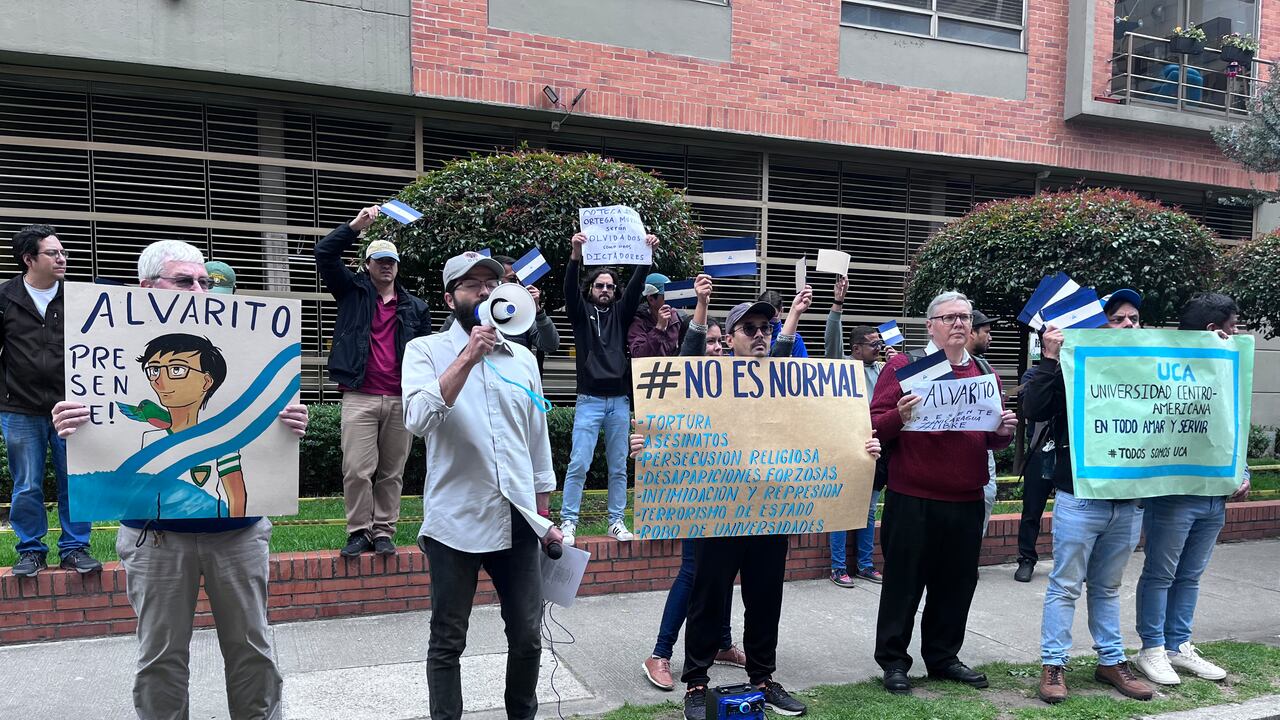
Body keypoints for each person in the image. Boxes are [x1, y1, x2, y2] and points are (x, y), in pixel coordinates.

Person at [51, 239, 309, 719]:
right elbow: (104, 450)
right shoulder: (107, 349)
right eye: (184, 280)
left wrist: (289, 424)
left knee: (254, 652)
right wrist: (70, 423)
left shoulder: (247, 353)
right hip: (155, 539)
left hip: (238, 535)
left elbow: (242, 476)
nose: (199, 289)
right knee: (160, 659)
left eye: (204, 282)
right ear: (148, 288)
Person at [681, 275, 881, 720]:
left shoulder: (784, 381)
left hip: (770, 513)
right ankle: (696, 682)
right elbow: (677, 386)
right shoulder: (703, 379)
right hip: (717, 512)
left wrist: (862, 447)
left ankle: (762, 678)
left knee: (765, 598)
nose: (758, 336)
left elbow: (827, 424)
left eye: (764, 330)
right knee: (708, 598)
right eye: (749, 329)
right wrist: (647, 447)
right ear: (730, 338)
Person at [401, 250, 572, 720]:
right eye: (471, 284)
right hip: (454, 522)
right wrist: (468, 355)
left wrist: (545, 516)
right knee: (448, 639)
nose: (482, 291)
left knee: (527, 635)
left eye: (490, 283)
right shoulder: (425, 351)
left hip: (519, 521)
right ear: (449, 296)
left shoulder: (522, 359)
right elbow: (418, 420)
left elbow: (536, 444)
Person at [870, 290, 1017, 696]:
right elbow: (873, 424)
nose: (959, 324)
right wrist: (897, 417)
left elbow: (988, 437)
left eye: (965, 317)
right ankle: (894, 662)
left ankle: (943, 657)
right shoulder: (906, 365)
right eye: (950, 317)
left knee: (955, 586)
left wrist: (1003, 433)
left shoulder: (983, 371)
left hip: (966, 497)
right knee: (903, 584)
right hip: (912, 496)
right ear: (931, 324)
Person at [1024, 288, 1154, 704]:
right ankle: (1054, 664)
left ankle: (1111, 661)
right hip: (1080, 497)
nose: (1128, 325)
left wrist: (1209, 349)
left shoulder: (1150, 366)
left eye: (1134, 318)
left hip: (1127, 499)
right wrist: (1050, 358)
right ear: (1101, 326)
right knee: (1065, 585)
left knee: (1108, 586)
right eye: (1118, 319)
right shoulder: (1071, 368)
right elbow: (1035, 407)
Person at [1133, 293, 1252, 688]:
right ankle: (1151, 647)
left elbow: (1234, 422)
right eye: (1232, 327)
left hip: (1213, 496)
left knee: (1190, 576)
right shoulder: (1161, 367)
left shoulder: (1229, 372)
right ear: (1213, 331)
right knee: (1162, 573)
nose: (1237, 334)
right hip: (1174, 495)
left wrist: (1244, 468)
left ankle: (1178, 645)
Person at [315, 206, 432, 557]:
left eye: (391, 261)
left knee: (392, 472)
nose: (386, 266)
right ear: (367, 265)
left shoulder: (416, 307)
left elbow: (425, 355)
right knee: (356, 470)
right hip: (359, 394)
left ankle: (383, 531)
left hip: (400, 398)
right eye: (379, 260)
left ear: (397, 266)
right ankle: (358, 531)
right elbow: (324, 252)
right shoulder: (351, 292)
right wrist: (355, 226)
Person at [642, 315, 746, 691]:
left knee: (722, 572)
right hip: (695, 494)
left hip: (731, 492)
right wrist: (701, 305)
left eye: (720, 342)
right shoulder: (682, 381)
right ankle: (660, 653)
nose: (715, 348)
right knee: (692, 571)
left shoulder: (736, 380)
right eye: (709, 341)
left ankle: (721, 643)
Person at [0, 224, 99, 577]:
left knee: (76, 479)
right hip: (19, 408)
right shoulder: (5, 297)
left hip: (69, 407)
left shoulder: (78, 297)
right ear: (29, 259)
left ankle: (75, 548)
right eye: (53, 253)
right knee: (26, 483)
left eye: (63, 252)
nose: (62, 258)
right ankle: (31, 551)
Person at [558, 231, 659, 545]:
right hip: (588, 400)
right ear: (592, 289)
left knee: (618, 466)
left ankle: (616, 520)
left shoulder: (621, 311)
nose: (605, 290)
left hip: (619, 401)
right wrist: (575, 255)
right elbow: (569, 289)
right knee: (579, 463)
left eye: (610, 286)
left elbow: (635, 285)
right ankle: (568, 522)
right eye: (599, 285)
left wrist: (646, 254)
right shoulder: (580, 313)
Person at [823, 275, 890, 586]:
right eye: (872, 344)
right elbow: (831, 341)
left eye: (880, 343)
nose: (877, 347)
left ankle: (864, 563)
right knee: (841, 508)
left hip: (873, 449)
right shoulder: (842, 366)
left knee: (868, 509)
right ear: (856, 348)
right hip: (845, 445)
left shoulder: (882, 370)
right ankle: (838, 567)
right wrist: (838, 304)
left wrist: (892, 360)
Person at [438, 254, 560, 358]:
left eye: (490, 283)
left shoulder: (519, 311)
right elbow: (443, 347)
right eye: (511, 279)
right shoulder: (464, 314)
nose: (485, 291)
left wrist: (538, 312)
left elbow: (550, 345)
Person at [1014, 364, 1056, 583]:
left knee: (1075, 509)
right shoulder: (1034, 374)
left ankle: (1073, 561)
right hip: (1041, 451)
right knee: (1032, 510)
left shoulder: (1080, 370)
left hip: (1071, 453)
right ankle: (1026, 558)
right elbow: (1032, 405)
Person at [966, 309, 1001, 535]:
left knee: (987, 498)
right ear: (971, 332)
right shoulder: (941, 366)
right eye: (986, 332)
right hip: (956, 451)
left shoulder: (986, 368)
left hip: (983, 449)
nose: (990, 337)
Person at [627, 278, 679, 358]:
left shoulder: (676, 318)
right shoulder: (639, 323)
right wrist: (658, 329)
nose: (670, 301)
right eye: (665, 297)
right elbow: (638, 355)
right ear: (651, 300)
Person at [758, 289, 808, 358]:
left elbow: (803, 366)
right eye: (765, 317)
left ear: (781, 311)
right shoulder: (753, 338)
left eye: (773, 317)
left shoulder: (795, 340)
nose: (768, 321)